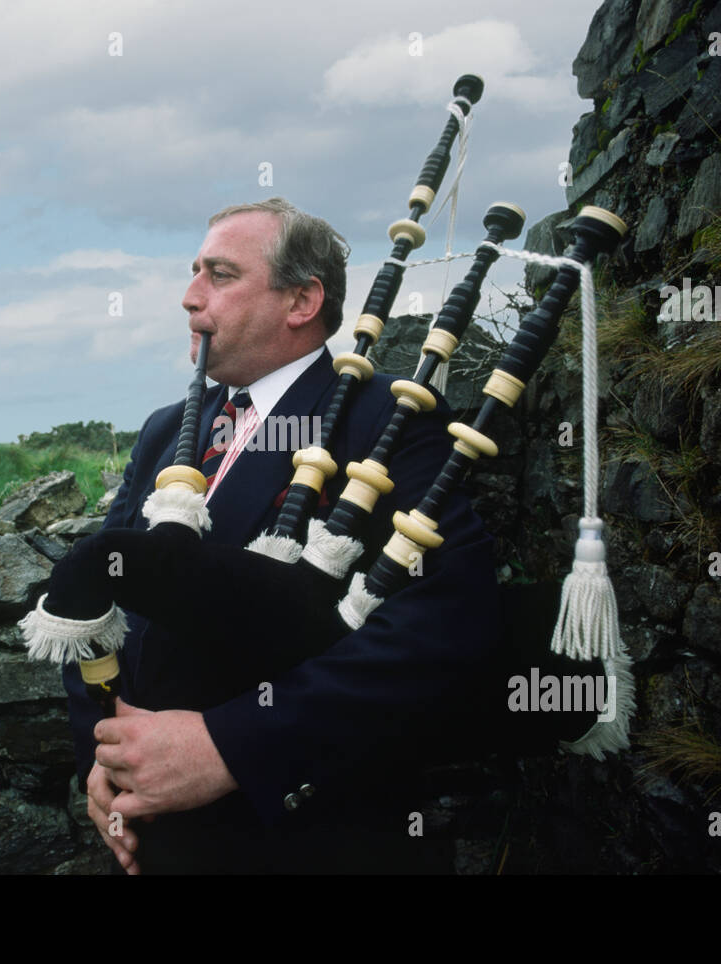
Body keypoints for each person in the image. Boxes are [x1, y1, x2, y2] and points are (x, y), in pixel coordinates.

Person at [63, 197, 499, 874]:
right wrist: (108, 750)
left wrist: (232, 747)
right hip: (162, 837)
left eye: (220, 274)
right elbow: (103, 600)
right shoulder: (163, 429)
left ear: (301, 301)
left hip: (308, 837)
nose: (189, 297)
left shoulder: (384, 419)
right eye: (193, 273)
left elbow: (445, 621)